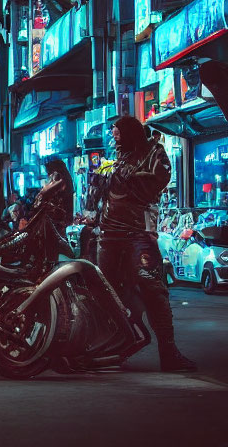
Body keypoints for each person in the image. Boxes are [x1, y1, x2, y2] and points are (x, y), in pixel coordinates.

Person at [95, 116, 196, 372]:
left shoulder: (153, 151)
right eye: (113, 134)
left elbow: (157, 179)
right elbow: (104, 186)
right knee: (106, 291)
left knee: (153, 289)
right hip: (109, 233)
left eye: (117, 133)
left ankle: (168, 352)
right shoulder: (117, 157)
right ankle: (109, 347)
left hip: (136, 233)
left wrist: (125, 178)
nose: (114, 138)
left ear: (129, 132)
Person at [42, 157, 75, 236]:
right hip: (63, 216)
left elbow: (46, 192)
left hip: (59, 217)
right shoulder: (65, 175)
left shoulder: (59, 176)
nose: (48, 175)